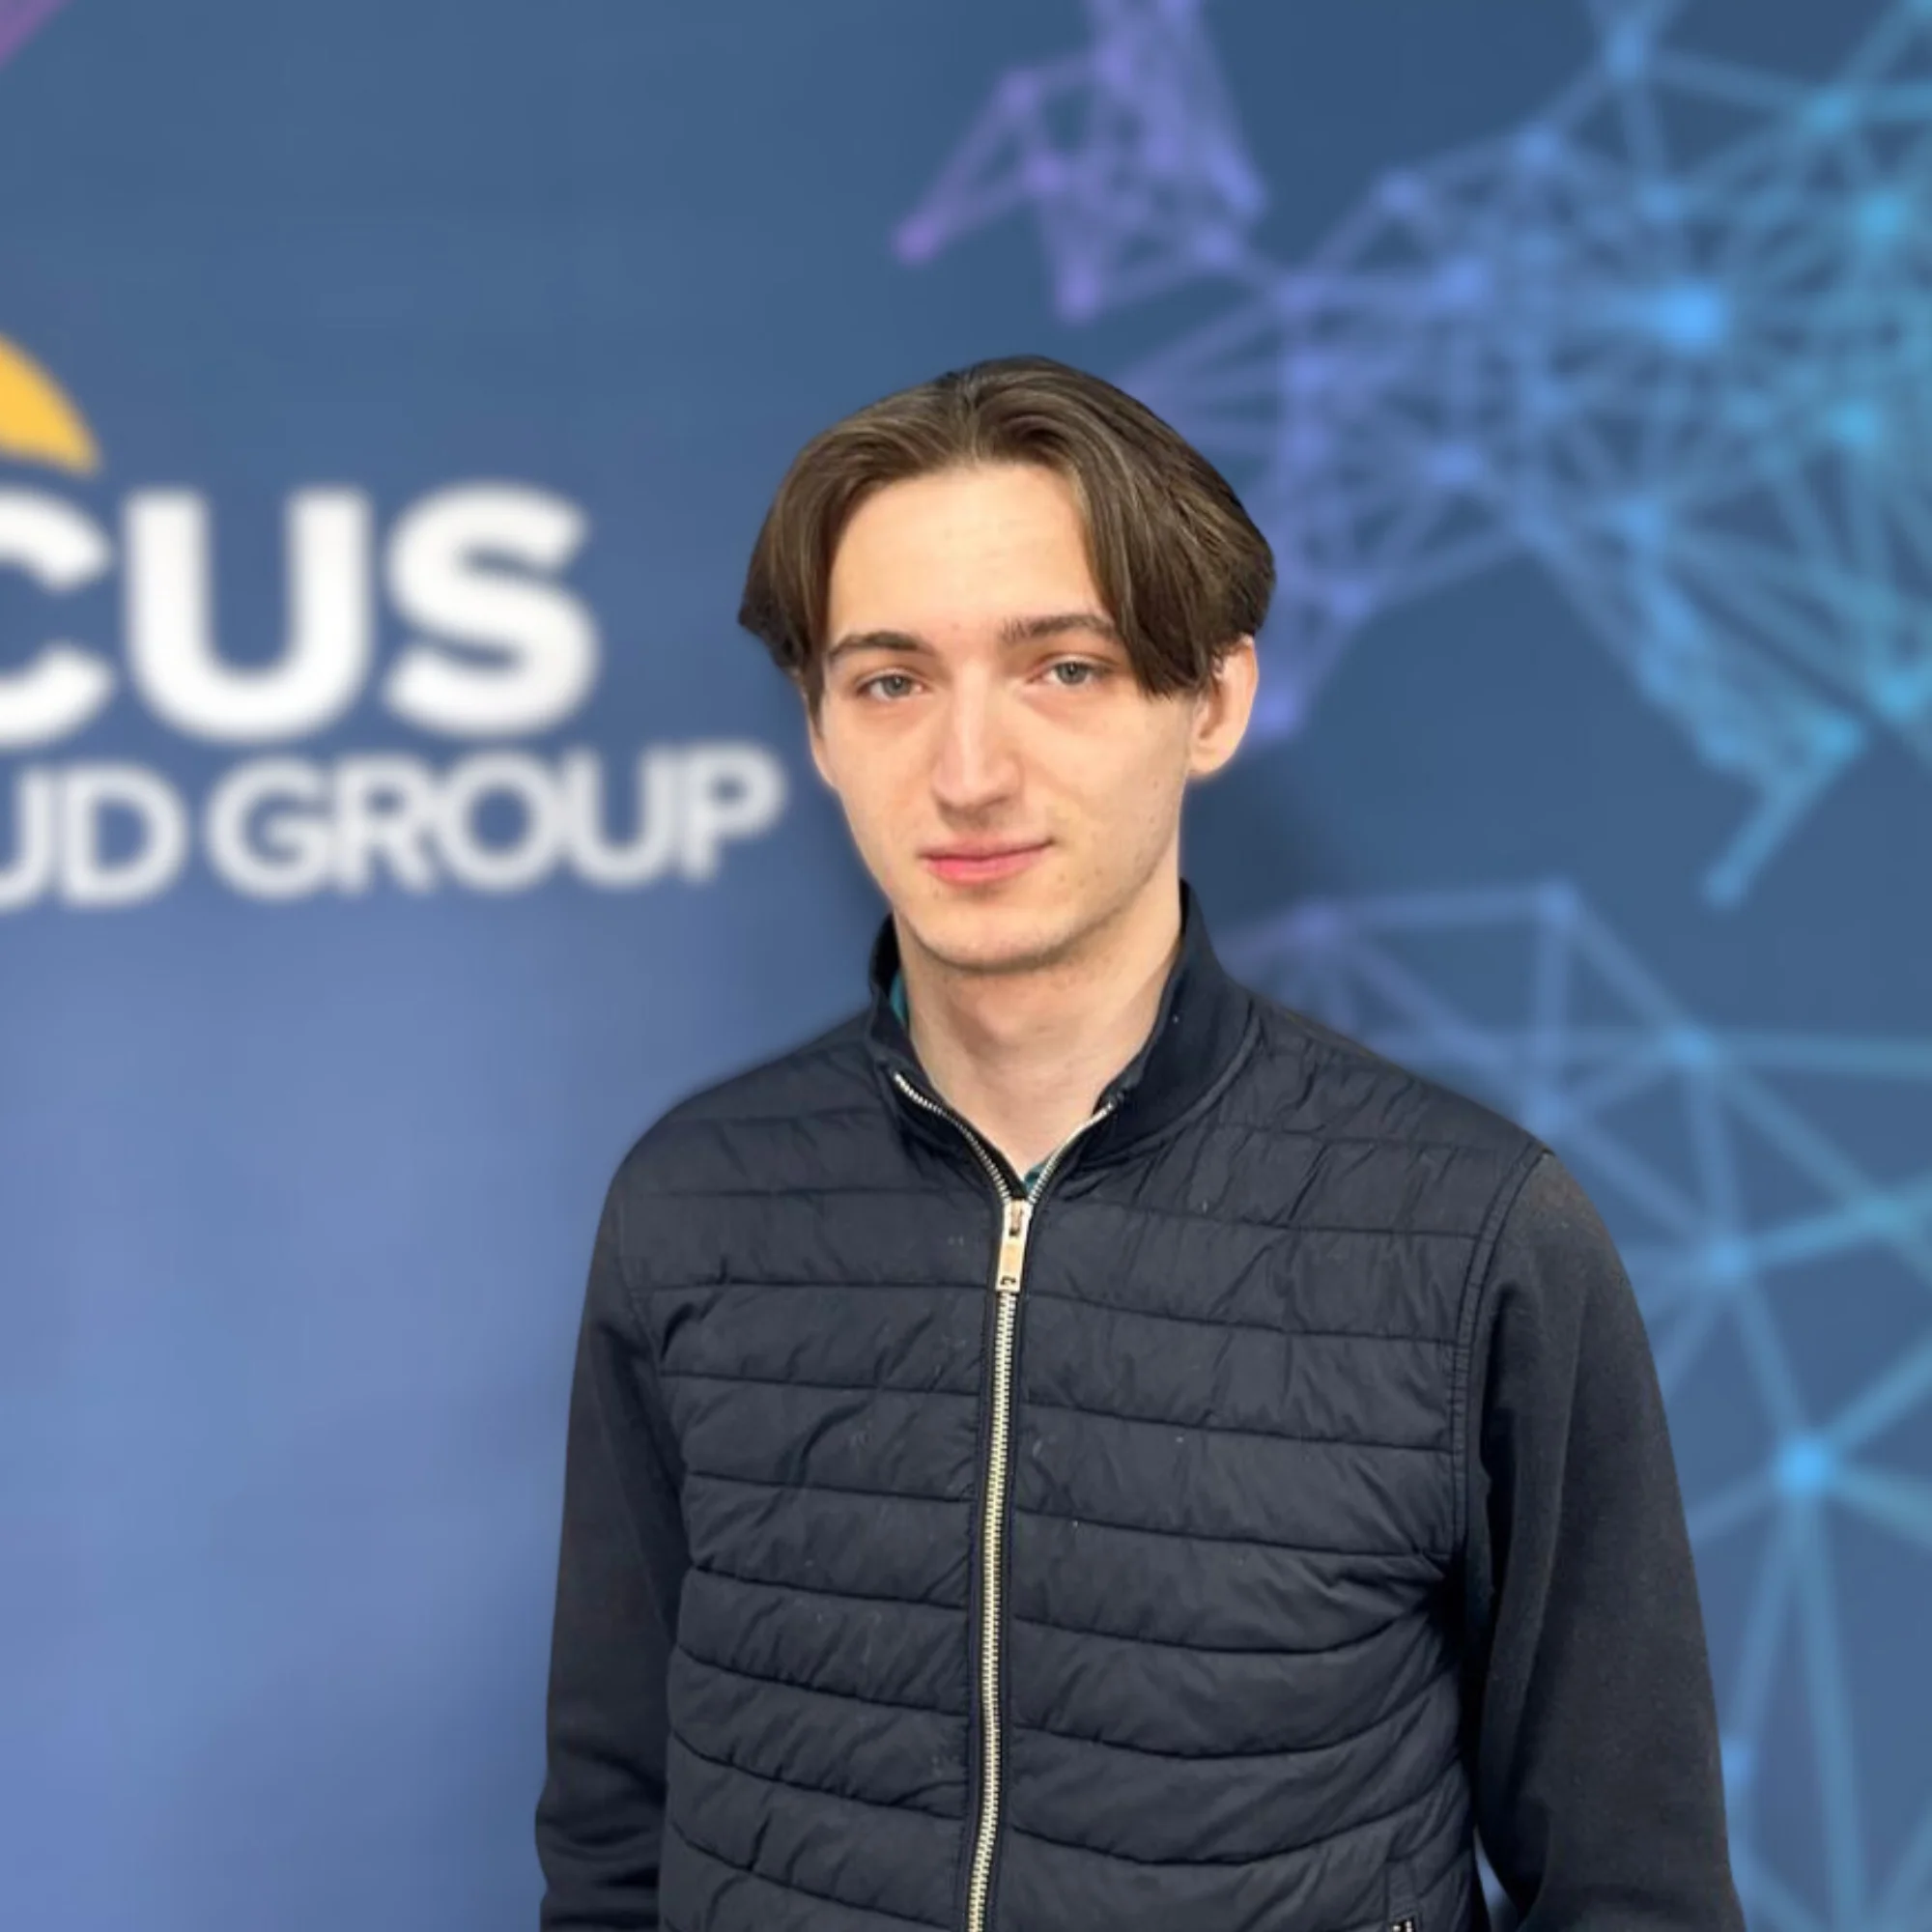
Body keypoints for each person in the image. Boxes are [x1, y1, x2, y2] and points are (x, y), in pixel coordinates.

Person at [533, 355, 1744, 1932]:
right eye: (891, 682)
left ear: (1214, 699)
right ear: (818, 727)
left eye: (1065, 668)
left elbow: (1632, 1888)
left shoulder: (1474, 1235)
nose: (969, 773)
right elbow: (614, 1842)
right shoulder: (693, 1204)